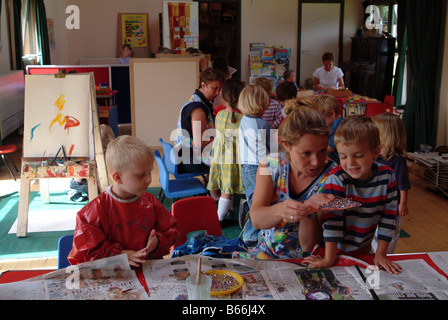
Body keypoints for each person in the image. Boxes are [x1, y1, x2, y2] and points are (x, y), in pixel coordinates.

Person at [236, 104, 336, 259]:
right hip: (267, 254)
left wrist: (309, 211)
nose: (316, 162)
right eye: (306, 153)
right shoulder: (268, 165)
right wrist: (281, 210)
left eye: (322, 151)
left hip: (311, 259)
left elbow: (309, 244)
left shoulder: (333, 176)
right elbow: (256, 219)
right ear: (286, 145)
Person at [304, 115, 402, 274]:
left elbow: (389, 217)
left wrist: (381, 254)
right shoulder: (337, 179)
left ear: (375, 152)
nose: (350, 163)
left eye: (358, 156)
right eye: (343, 156)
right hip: (330, 250)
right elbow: (332, 221)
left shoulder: (387, 176)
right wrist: (329, 259)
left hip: (362, 250)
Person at [68, 135, 179, 267]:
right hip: (113, 277)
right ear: (118, 177)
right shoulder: (92, 213)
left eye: (150, 172)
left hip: (148, 272)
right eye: (141, 174)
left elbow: (171, 231)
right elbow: (87, 254)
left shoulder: (151, 202)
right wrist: (121, 255)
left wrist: (157, 243)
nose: (149, 179)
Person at [175, 67, 226, 178]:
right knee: (230, 162)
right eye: (214, 88)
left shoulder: (196, 100)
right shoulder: (198, 109)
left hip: (187, 156)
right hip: (190, 160)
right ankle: (220, 194)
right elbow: (200, 142)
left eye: (220, 89)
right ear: (203, 85)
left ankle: (210, 187)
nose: (217, 93)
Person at [207, 79, 246, 222]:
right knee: (227, 191)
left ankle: (225, 213)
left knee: (226, 188)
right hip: (233, 159)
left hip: (219, 157)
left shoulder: (220, 115)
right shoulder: (244, 119)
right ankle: (218, 219)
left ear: (223, 97)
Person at [371, 113, 411, 254]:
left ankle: (385, 255)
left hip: (392, 208)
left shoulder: (397, 160)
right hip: (376, 205)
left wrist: (403, 203)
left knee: (389, 234)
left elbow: (403, 185)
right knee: (374, 234)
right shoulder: (375, 156)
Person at [237, 84, 271, 246]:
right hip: (260, 167)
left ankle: (252, 227)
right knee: (261, 202)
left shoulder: (243, 120)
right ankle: (251, 235)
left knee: (253, 198)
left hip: (246, 167)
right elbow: (272, 149)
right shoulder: (263, 124)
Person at [66, 124, 116, 202]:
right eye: (99, 147)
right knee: (83, 166)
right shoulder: (89, 153)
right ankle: (73, 191)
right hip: (83, 182)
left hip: (100, 184)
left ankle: (99, 193)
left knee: (102, 171)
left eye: (105, 147)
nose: (102, 150)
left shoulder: (110, 154)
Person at [315, 95, 344, 164]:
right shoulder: (335, 123)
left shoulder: (339, 127)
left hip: (340, 163)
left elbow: (328, 148)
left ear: (332, 114)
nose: (320, 122)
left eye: (322, 119)